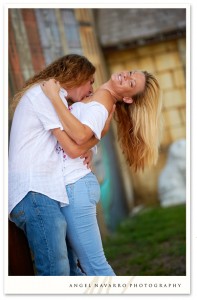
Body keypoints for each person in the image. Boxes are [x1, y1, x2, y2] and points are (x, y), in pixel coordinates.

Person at [40, 69, 162, 275]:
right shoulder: (100, 99)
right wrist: (90, 147)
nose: (125, 76)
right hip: (74, 186)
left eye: (131, 83)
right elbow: (90, 138)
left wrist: (53, 99)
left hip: (76, 187)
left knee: (95, 268)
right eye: (130, 73)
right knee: (79, 269)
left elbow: (79, 138)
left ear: (127, 98)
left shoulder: (103, 102)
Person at [8, 54, 114, 276]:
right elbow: (74, 146)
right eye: (90, 81)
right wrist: (89, 144)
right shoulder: (45, 94)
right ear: (77, 75)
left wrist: (90, 146)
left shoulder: (53, 96)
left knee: (71, 271)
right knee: (56, 271)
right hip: (33, 191)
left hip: (45, 193)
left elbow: (77, 140)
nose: (91, 90)